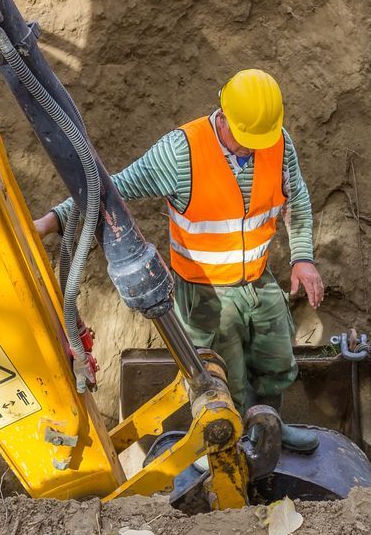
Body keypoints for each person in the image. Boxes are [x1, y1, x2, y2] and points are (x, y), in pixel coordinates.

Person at [34, 69, 324, 452]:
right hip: (205, 295)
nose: (253, 149)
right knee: (224, 381)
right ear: (223, 115)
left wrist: (302, 257)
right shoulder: (181, 153)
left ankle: (269, 429)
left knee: (275, 363)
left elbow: (296, 199)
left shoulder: (277, 144)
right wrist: (51, 221)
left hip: (258, 281)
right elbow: (109, 190)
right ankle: (226, 456)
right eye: (245, 140)